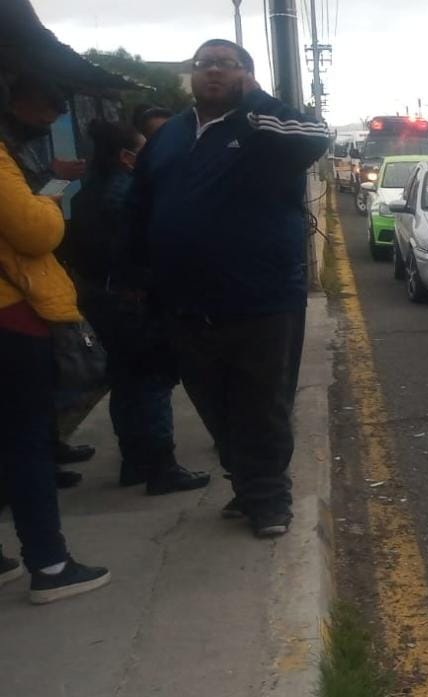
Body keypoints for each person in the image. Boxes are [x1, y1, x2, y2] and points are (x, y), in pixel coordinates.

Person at [121, 40, 329, 538]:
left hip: (261, 299)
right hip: (186, 303)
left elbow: (313, 135)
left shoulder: (264, 126)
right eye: (204, 65)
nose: (212, 72)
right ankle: (246, 482)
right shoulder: (170, 136)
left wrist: (254, 99)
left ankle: (269, 498)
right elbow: (139, 206)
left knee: (262, 403)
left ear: (247, 74)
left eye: (226, 64)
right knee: (212, 402)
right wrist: (129, 275)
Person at [0, 74, 111, 604]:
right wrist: (47, 198)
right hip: (11, 317)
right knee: (25, 442)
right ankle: (48, 563)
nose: (46, 121)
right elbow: (34, 231)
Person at [66, 119, 209, 495]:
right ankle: (162, 467)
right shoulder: (131, 197)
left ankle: (134, 462)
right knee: (154, 382)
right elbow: (149, 252)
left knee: (124, 384)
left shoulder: (85, 195)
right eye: (144, 151)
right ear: (128, 157)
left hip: (101, 302)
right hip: (137, 303)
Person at [0, 73, 94, 485]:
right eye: (44, 115)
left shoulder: (21, 146)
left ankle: (49, 450)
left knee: (35, 398)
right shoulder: (7, 150)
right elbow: (33, 226)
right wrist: (52, 190)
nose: (45, 125)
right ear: (20, 103)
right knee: (25, 405)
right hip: (16, 288)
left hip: (25, 282)